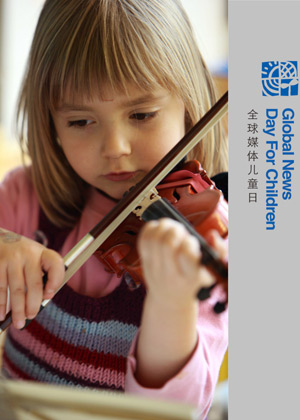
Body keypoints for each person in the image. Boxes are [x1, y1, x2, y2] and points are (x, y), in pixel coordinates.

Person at [0, 0, 228, 418]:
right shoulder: (23, 198)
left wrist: (172, 304)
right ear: (50, 124)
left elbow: (177, 411)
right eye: (81, 122)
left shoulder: (204, 235)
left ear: (189, 106)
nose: (115, 148)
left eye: (141, 114)